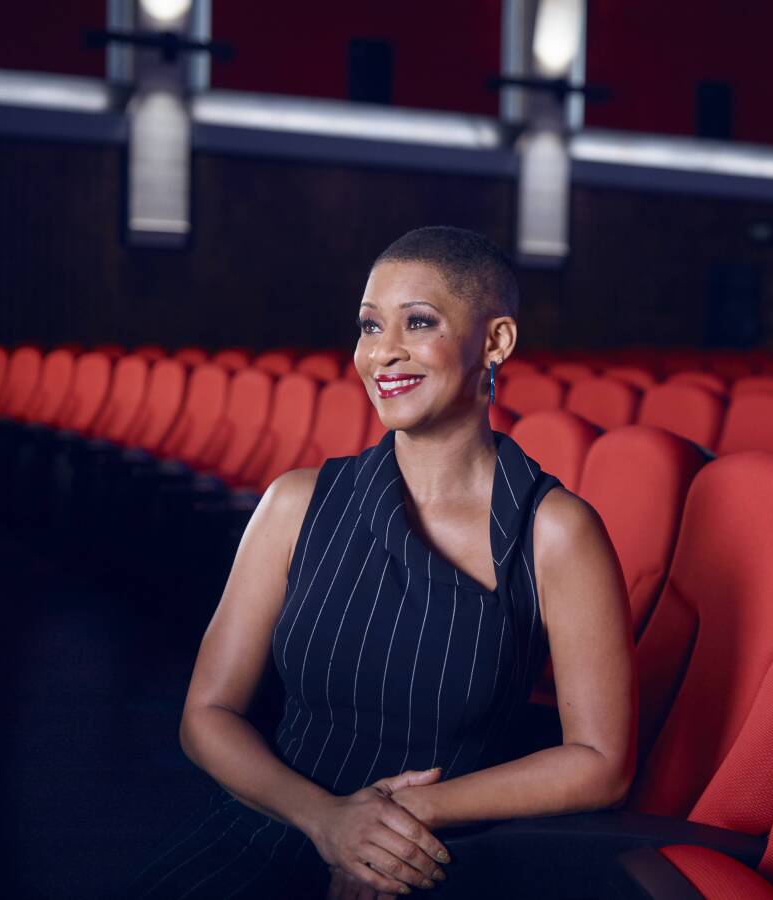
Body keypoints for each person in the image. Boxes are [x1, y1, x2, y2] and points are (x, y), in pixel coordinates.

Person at [129, 226, 636, 899]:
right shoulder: (294, 503)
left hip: (432, 858)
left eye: (417, 322)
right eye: (369, 327)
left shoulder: (556, 532)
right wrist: (328, 821)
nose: (383, 353)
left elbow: (602, 763)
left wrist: (402, 818)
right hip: (273, 821)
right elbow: (207, 715)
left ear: (496, 342)